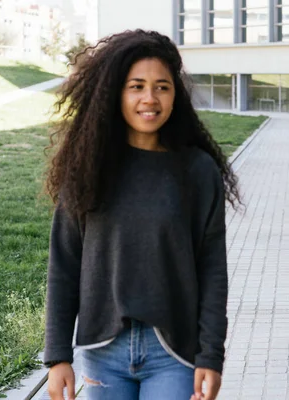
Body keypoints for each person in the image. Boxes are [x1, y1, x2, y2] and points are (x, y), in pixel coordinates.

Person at [43, 29, 238, 400]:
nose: (150, 98)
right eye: (137, 86)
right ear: (115, 92)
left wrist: (211, 357)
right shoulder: (87, 167)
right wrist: (57, 357)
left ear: (175, 94)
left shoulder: (198, 171)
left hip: (175, 354)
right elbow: (64, 265)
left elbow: (213, 270)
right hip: (102, 353)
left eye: (162, 87)